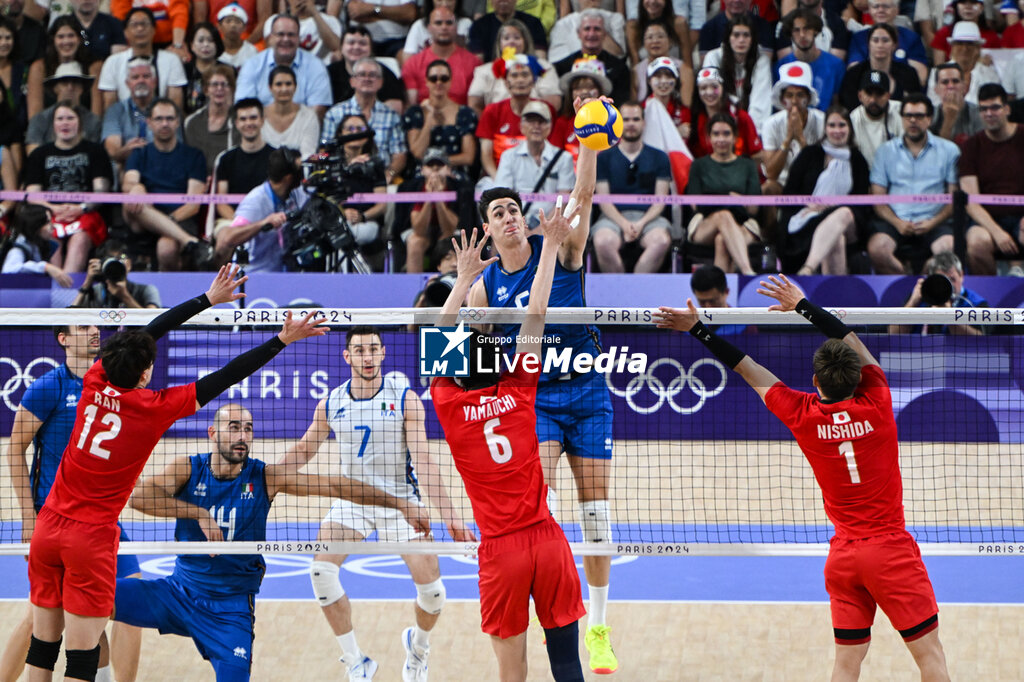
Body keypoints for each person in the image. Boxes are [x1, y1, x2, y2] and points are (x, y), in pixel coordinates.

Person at [24, 265, 325, 682]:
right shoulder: (154, 409)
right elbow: (225, 376)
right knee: (80, 660)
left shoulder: (93, 381)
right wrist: (281, 340)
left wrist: (205, 299)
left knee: (42, 648)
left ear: (108, 363)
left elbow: (148, 333)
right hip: (88, 538)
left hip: (48, 526)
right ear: (145, 373)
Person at [654, 275, 952, 682]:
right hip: (890, 552)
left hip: (844, 559)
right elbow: (849, 338)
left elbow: (747, 367)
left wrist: (698, 330)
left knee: (846, 666)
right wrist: (802, 304)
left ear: (816, 382)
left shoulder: (802, 415)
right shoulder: (879, 400)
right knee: (931, 659)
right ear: (860, 377)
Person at [112, 404, 430, 682]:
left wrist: (401, 503)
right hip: (178, 594)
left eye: (248, 429)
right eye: (233, 427)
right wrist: (198, 513)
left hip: (230, 611)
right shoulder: (188, 468)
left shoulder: (265, 477)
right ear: (212, 432)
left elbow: (336, 485)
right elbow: (140, 497)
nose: (242, 436)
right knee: (83, 597)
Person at [468, 96, 619, 676]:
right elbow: (463, 345)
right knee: (538, 512)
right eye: (499, 213)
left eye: (514, 209)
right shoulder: (485, 288)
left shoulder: (562, 245)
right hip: (536, 403)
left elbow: (581, 199)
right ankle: (548, 614)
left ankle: (599, 629)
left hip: (587, 395)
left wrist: (589, 141)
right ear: (488, 227)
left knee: (596, 517)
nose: (509, 217)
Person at [432, 222, 587, 682]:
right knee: (566, 665)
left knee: (511, 672)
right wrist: (552, 249)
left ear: (458, 371)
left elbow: (439, 338)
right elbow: (537, 313)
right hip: (548, 540)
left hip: (502, 553)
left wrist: (462, 280)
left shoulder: (450, 405)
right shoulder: (519, 390)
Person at [280, 325, 475, 681]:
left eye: (373, 349)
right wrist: (269, 477)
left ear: (384, 353)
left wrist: (451, 517)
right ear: (347, 356)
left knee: (433, 594)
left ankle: (417, 648)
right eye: (359, 350)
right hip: (352, 502)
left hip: (401, 503)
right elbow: (304, 449)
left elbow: (425, 462)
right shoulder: (332, 403)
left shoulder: (405, 399)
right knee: (322, 571)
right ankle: (356, 660)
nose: (367, 357)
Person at [1, 322, 141, 682]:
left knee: (128, 604)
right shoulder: (47, 387)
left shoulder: (110, 384)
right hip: (54, 520)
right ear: (63, 339)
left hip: (99, 521)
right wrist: (27, 517)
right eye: (83, 327)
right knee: (46, 619)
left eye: (96, 326)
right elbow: (15, 448)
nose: (94, 332)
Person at [868, 93, 959, 274]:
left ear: (929, 119)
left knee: (947, 249)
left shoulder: (949, 150)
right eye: (908, 116)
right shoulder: (885, 151)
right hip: (896, 220)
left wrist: (932, 222)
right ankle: (905, 282)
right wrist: (898, 222)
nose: (913, 121)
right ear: (902, 119)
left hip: (934, 221)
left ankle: (925, 282)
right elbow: (877, 199)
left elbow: (954, 199)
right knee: (877, 249)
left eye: (919, 116)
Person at [122, 98, 214, 271]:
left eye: (170, 119)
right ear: (149, 123)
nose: (165, 124)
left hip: (181, 219)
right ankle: (191, 242)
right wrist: (137, 187)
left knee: (166, 249)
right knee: (132, 197)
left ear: (178, 122)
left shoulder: (194, 156)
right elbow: (129, 183)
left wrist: (165, 222)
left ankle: (167, 296)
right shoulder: (139, 154)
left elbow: (193, 205)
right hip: (141, 217)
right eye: (159, 119)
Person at [22, 101, 113, 273]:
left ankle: (68, 293)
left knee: (79, 240)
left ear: (80, 122)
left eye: (70, 118)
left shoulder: (96, 151)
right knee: (51, 237)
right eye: (60, 119)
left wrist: (81, 208)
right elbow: (32, 194)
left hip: (86, 213)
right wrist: (54, 208)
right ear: (53, 124)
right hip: (50, 214)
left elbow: (101, 190)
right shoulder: (39, 154)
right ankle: (56, 289)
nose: (65, 123)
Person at [779, 105, 869, 275]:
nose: (837, 130)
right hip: (808, 217)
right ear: (825, 128)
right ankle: (833, 295)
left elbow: (862, 202)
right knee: (837, 240)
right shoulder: (809, 154)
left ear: (850, 128)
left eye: (842, 125)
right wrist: (810, 205)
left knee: (843, 213)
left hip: (850, 221)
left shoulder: (858, 160)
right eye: (832, 125)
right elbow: (789, 193)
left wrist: (832, 206)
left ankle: (808, 268)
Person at [592, 101, 673, 273]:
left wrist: (641, 224)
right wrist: (624, 224)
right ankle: (618, 292)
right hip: (612, 217)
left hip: (650, 217)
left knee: (661, 240)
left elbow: (660, 200)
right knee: (602, 241)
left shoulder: (660, 157)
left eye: (635, 119)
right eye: (626, 119)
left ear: (643, 123)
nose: (630, 124)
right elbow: (603, 201)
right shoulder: (604, 157)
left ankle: (638, 288)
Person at [685, 113, 762, 274]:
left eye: (726, 134)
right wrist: (729, 200)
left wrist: (739, 200)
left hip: (743, 224)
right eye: (716, 134)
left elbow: (754, 209)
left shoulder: (747, 165)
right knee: (723, 215)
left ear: (735, 137)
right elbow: (695, 205)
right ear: (709, 138)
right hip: (705, 223)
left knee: (722, 240)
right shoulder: (698, 165)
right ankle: (747, 272)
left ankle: (720, 292)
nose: (721, 139)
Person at [961, 83, 1024, 275]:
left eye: (995, 107)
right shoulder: (972, 146)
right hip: (987, 219)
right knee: (977, 242)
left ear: (1007, 109)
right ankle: (991, 297)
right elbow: (970, 201)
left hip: (1022, 216)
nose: (989, 113)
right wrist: (997, 232)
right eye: (984, 109)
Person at [214, 146, 306, 271]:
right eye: (299, 169)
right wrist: (262, 224)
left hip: (281, 272)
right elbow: (229, 238)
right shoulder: (256, 201)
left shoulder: (294, 194)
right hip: (254, 274)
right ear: (289, 178)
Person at [322, 58, 408, 184]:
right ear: (352, 81)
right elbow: (324, 151)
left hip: (381, 180)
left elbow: (400, 155)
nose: (367, 79)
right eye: (362, 74)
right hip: (342, 179)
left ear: (380, 82)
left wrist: (388, 175)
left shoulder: (391, 116)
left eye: (372, 75)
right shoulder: (334, 114)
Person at [494, 101, 576, 231]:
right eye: (531, 121)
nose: (536, 126)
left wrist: (540, 230)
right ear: (521, 126)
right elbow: (503, 198)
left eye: (542, 121)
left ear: (550, 127)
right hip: (516, 221)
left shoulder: (564, 158)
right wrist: (518, 228)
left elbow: (563, 201)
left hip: (551, 223)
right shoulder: (508, 156)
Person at [475, 55, 557, 181]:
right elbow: (486, 154)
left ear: (533, 80)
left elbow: (551, 151)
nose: (520, 80)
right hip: (498, 176)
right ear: (506, 82)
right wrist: (499, 180)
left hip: (538, 178)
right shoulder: (492, 111)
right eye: (514, 75)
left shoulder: (546, 109)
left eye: (525, 75)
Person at [234, 14, 332, 118]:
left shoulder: (315, 65)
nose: (285, 39)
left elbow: (317, 111)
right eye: (280, 34)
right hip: (260, 130)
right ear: (270, 38)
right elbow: (244, 107)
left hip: (302, 130)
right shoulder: (252, 65)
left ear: (299, 38)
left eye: (291, 35)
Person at [399, 147, 476, 273]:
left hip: (449, 231)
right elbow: (418, 229)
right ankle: (413, 289)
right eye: (430, 165)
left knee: (450, 240)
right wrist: (429, 198)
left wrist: (438, 198)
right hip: (422, 232)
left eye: (440, 165)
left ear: (449, 169)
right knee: (415, 242)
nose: (435, 168)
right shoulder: (411, 187)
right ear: (422, 170)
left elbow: (449, 228)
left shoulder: (461, 188)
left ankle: (451, 284)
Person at [97, 8, 187, 112]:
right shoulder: (112, 62)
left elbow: (176, 102)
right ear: (125, 32)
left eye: (144, 24)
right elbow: (110, 105)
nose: (140, 28)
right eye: (134, 25)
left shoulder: (171, 60)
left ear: (154, 30)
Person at [467, 21, 562, 114]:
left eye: (517, 38)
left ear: (526, 41)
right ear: (499, 44)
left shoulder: (544, 67)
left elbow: (553, 102)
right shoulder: (484, 71)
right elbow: (474, 104)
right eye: (506, 38)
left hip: (536, 122)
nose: (511, 42)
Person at [402, 59, 478, 174]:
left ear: (450, 81)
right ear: (426, 82)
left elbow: (468, 157)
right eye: (433, 79)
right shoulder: (414, 113)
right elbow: (418, 153)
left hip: (454, 173)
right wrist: (429, 118)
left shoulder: (465, 113)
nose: (439, 82)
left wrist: (438, 163)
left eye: (444, 78)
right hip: (422, 173)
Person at [762, 61, 824, 195]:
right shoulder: (771, 124)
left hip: (814, 183)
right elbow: (771, 173)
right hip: (782, 183)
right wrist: (788, 139)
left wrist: (801, 138)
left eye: (800, 95)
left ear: (808, 98)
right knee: (768, 187)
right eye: (789, 95)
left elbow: (819, 170)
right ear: (782, 99)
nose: (794, 101)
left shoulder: (822, 121)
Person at [211, 97, 274, 231]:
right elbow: (221, 203)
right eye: (243, 119)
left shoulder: (276, 157)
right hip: (232, 222)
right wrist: (242, 224)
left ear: (262, 120)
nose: (248, 123)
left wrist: (260, 224)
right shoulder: (226, 159)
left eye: (253, 118)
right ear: (236, 123)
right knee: (224, 235)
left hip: (269, 220)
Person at [702, 15, 772, 133]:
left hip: (750, 127)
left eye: (746, 35)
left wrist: (750, 133)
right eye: (736, 35)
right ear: (728, 38)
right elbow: (710, 96)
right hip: (718, 125)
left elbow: (760, 103)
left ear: (752, 39)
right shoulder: (713, 57)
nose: (741, 40)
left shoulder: (761, 59)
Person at [889, 251, 987, 335]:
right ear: (931, 278)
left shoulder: (975, 303)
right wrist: (913, 302)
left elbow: (980, 341)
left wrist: (949, 317)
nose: (948, 286)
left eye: (952, 279)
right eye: (942, 280)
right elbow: (893, 333)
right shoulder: (921, 296)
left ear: (961, 275)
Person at [25, 16, 103, 121]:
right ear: (53, 40)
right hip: (48, 132)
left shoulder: (94, 67)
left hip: (86, 130)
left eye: (71, 36)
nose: (66, 41)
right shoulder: (39, 68)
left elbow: (96, 116)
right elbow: (35, 117)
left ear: (79, 39)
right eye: (60, 37)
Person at [401, 6, 481, 106]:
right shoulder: (413, 64)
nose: (444, 27)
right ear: (429, 28)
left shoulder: (473, 63)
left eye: (449, 23)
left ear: (456, 28)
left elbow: (474, 106)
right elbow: (411, 105)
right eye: (438, 23)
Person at [838, 23, 922, 112]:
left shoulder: (908, 74)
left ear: (894, 45)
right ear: (868, 44)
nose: (880, 45)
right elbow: (848, 106)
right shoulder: (854, 74)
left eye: (885, 40)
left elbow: (915, 104)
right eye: (875, 40)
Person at [553, 10, 631, 106]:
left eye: (597, 29)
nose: (591, 34)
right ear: (578, 33)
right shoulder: (562, 67)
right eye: (587, 29)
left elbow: (621, 103)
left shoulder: (619, 68)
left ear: (605, 34)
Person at [25, 63, 102, 156]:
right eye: (64, 83)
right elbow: (33, 154)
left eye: (75, 82)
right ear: (55, 88)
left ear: (82, 88)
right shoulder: (39, 119)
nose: (70, 87)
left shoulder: (93, 121)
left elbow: (95, 155)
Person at [688, 66, 763, 159]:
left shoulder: (740, 117)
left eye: (714, 87)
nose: (709, 92)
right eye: (703, 88)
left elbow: (758, 155)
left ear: (723, 88)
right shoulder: (696, 119)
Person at [776, 9, 845, 111]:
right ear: (790, 34)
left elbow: (838, 105)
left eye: (807, 29)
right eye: (796, 30)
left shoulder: (836, 65)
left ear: (816, 31)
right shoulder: (781, 67)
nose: (802, 35)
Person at [846, 0, 928, 84]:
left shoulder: (911, 38)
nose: (880, 10)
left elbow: (920, 77)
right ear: (870, 9)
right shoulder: (859, 38)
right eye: (876, 6)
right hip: (868, 91)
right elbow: (854, 73)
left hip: (901, 93)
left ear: (897, 10)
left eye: (886, 6)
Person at [327, 26, 405, 113]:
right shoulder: (329, 73)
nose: (356, 47)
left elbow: (395, 106)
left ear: (371, 49)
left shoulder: (383, 73)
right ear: (341, 48)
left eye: (362, 43)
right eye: (351, 43)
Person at [925, 22, 1001, 108]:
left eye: (970, 44)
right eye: (960, 43)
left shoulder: (990, 74)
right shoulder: (937, 72)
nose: (965, 48)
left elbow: (993, 105)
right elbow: (933, 105)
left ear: (978, 48)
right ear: (952, 47)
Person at [101, 58, 158, 167]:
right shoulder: (115, 110)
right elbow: (112, 151)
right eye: (135, 77)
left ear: (155, 82)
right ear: (127, 83)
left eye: (146, 76)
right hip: (127, 166)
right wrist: (127, 150)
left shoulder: (168, 109)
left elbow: (175, 147)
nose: (141, 81)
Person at [71, 239, 162, 308]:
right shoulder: (94, 292)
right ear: (101, 264)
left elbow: (155, 321)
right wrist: (87, 283)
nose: (116, 263)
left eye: (120, 259)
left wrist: (125, 297)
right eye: (110, 259)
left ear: (129, 264)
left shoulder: (146, 290)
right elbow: (68, 321)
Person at [182, 63, 237, 176]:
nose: (219, 89)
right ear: (206, 90)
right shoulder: (192, 122)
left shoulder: (239, 120)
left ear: (231, 89)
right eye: (214, 84)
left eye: (224, 85)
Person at [0, 205, 73, 286]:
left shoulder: (43, 246)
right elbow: (9, 271)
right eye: (47, 222)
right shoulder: (18, 249)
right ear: (36, 225)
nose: (52, 226)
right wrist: (45, 267)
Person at [260, 65, 320, 160]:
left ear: (295, 87)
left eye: (288, 84)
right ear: (270, 87)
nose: (284, 89)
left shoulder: (309, 116)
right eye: (278, 84)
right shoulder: (259, 116)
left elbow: (308, 155)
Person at [848, 69, 901, 166]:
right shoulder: (853, 119)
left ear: (888, 96)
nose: (873, 100)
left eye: (879, 94)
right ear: (860, 96)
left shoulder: (901, 112)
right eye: (869, 93)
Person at [262, 0, 342, 64]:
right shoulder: (275, 21)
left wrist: (315, 14)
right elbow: (271, 50)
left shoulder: (329, 21)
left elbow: (336, 46)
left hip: (320, 70)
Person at [467, 0, 548, 60]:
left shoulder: (533, 23)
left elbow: (540, 58)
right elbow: (477, 61)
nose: (503, 1)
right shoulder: (478, 26)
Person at [552, 0, 627, 64]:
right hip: (573, 70)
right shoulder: (563, 24)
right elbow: (557, 60)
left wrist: (595, 19)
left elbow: (619, 56)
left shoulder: (616, 19)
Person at [928, 61, 982, 146]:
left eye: (955, 81)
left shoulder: (979, 113)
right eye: (945, 82)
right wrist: (949, 120)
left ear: (964, 87)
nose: (951, 86)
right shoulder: (929, 115)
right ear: (936, 89)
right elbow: (936, 152)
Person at [930, 0, 1000, 63]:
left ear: (982, 7)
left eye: (973, 2)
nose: (968, 7)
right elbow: (939, 67)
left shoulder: (992, 37)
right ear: (956, 6)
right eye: (963, 2)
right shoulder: (943, 33)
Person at [182, 22, 225, 115]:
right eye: (201, 41)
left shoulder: (227, 70)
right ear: (192, 45)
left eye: (211, 40)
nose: (206, 45)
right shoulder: (184, 70)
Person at [215, 3, 258, 69]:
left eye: (238, 22)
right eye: (228, 21)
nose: (233, 25)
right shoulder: (214, 49)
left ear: (244, 28)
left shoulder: (251, 50)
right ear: (219, 26)